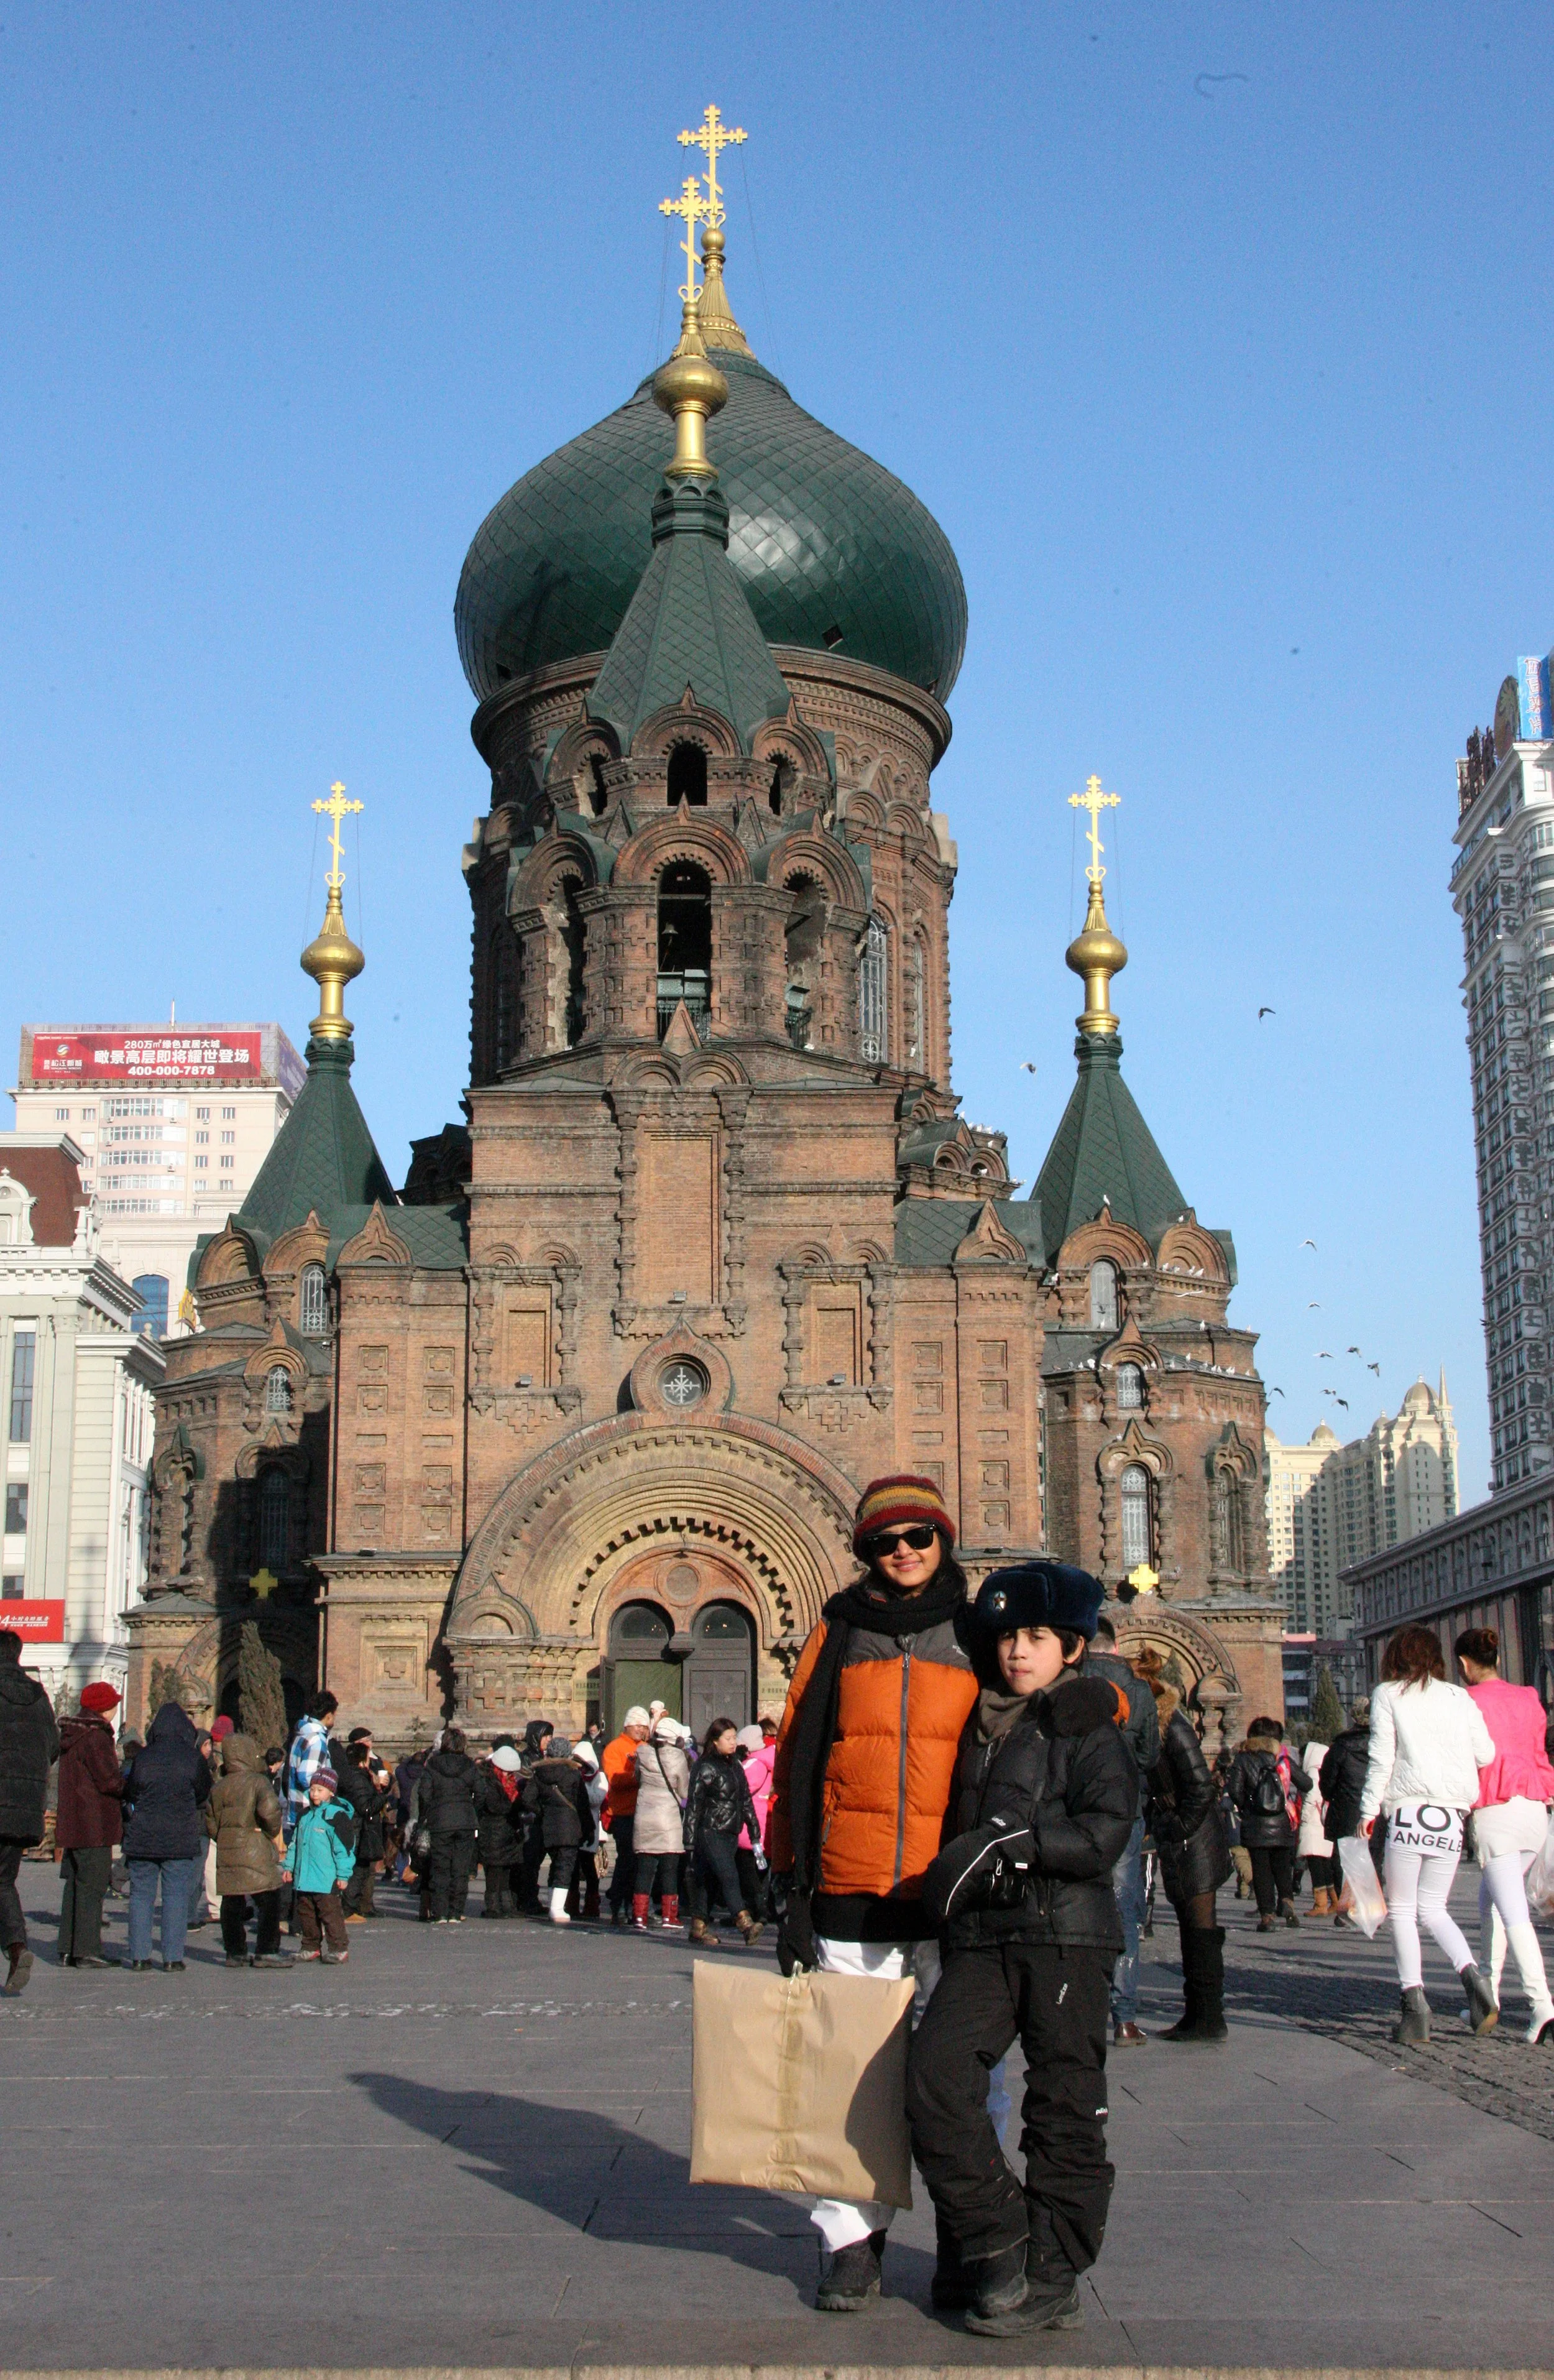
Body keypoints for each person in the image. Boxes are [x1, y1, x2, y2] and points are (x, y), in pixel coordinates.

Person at [767, 1474, 979, 2313]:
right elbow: (798, 1752)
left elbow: (1039, 1709)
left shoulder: (979, 1627)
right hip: (852, 1883)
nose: (903, 1553)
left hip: (953, 1884)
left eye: (919, 1537)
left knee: (969, 2071)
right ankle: (851, 2242)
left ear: (944, 1540)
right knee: (847, 2070)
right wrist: (791, 1886)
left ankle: (974, 2234)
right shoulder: (841, 1628)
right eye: (885, 1542)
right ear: (863, 1552)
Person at [906, 1561, 1135, 2336]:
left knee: (1064, 2105)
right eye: (1006, 1637)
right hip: (982, 1938)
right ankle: (998, 2237)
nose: (1017, 1651)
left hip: (1065, 1936)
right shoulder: (979, 1721)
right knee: (933, 2080)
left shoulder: (1085, 1722)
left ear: (1070, 1646)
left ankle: (1054, 2271)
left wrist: (1018, 1849)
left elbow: (1106, 1830)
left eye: (1035, 1636)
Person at [1359, 1623, 1497, 2044]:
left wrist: (1366, 1812)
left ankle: (1414, 2005)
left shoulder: (1389, 1694)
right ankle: (1473, 1976)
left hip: (1408, 1811)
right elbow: (1486, 1753)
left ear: (1396, 1657)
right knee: (1434, 1908)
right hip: (1451, 1817)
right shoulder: (1459, 1697)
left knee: (1402, 1910)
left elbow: (1382, 1758)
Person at [1455, 1625, 1554, 2041]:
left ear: (1464, 1665)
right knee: (1490, 1902)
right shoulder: (1529, 1696)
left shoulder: (1464, 1702)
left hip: (1495, 1810)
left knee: (1513, 1913)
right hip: (1535, 1807)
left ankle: (1542, 2005)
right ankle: (1486, 1997)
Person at [1135, 1651, 1230, 2041]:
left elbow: (1200, 1786)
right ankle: (1198, 2012)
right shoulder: (1153, 1727)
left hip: (1196, 1836)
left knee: (1201, 1927)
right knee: (1192, 1928)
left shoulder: (1171, 1725)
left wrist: (1176, 1826)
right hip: (1182, 1834)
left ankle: (1209, 2016)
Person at [1086, 1616, 1161, 2047]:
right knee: (1122, 1913)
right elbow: (1150, 1755)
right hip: (1125, 1812)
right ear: (1116, 1648)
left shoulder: (1068, 1680)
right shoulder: (1139, 1691)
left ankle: (1076, 2009)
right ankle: (1125, 2019)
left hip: (1078, 1811)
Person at [121, 1702, 212, 1972]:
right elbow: (202, 1793)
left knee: (141, 1895)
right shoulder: (193, 1758)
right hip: (180, 1835)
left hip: (143, 1835)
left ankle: (139, 1956)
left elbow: (132, 1791)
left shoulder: (144, 1757)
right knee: (176, 1896)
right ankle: (172, 1958)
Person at [0, 1627, 61, 1995]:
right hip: (22, 1809)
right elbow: (52, 1748)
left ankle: (17, 1947)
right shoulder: (38, 1697)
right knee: (3, 1881)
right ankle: (17, 1948)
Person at [205, 1730, 291, 1967]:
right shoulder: (258, 1782)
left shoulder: (219, 1787)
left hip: (228, 1848)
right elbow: (271, 1812)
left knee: (232, 1902)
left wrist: (224, 1837)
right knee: (269, 1898)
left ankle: (235, 1952)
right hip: (254, 1847)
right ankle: (267, 1950)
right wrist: (269, 1832)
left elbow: (210, 1821)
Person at [55, 1681, 124, 1968]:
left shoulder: (74, 1733)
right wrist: (126, 1784)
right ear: (103, 1708)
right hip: (94, 1823)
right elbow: (108, 1780)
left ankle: (68, 1948)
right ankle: (87, 1950)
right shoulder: (96, 1737)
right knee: (92, 1887)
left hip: (73, 1822)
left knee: (75, 1885)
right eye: (113, 1703)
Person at [684, 1717, 763, 1947]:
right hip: (710, 1831)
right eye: (728, 1738)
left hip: (731, 1832)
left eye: (734, 1738)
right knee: (729, 1875)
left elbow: (746, 1801)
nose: (733, 1742)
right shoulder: (705, 1766)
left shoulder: (735, 1766)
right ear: (715, 1741)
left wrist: (755, 1834)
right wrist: (689, 1842)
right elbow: (694, 1805)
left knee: (710, 1879)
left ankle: (699, 1927)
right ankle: (745, 1924)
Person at [1229, 1718, 1312, 1932]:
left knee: (1262, 1869)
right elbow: (1306, 1783)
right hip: (1282, 1822)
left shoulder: (1243, 1758)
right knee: (1282, 1866)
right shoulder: (1281, 1758)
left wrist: (1248, 1807)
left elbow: (1235, 1789)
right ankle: (1287, 1904)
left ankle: (1267, 1916)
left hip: (1256, 1824)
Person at [522, 1733, 594, 1924]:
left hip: (547, 1827)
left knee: (556, 1865)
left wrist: (542, 1811)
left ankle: (553, 1905)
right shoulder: (572, 1774)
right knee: (565, 1866)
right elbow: (582, 1804)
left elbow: (527, 1799)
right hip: (569, 1826)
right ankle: (556, 1908)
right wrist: (589, 1829)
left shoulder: (539, 1774)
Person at [288, 1765, 356, 1960]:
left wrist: (343, 1875)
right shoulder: (305, 1815)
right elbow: (295, 1845)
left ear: (330, 1792)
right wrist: (289, 1867)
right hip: (304, 1877)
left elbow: (344, 1849)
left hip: (326, 1879)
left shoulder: (336, 1816)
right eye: (312, 1789)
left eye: (320, 1790)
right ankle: (310, 1946)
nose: (315, 1794)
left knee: (330, 1914)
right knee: (306, 1914)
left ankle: (338, 1948)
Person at [632, 1714, 691, 1929]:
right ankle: (670, 1916)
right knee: (669, 1869)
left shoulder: (642, 1752)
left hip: (644, 1815)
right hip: (667, 1819)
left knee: (645, 1869)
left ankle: (639, 1916)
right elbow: (684, 1791)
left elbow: (637, 1778)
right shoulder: (678, 1757)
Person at [419, 1725, 481, 1923]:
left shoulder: (433, 1765)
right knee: (461, 1870)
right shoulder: (470, 1765)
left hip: (440, 1821)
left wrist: (428, 1813)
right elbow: (482, 1791)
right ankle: (456, 1912)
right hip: (465, 1821)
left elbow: (424, 1794)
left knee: (440, 1868)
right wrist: (472, 1809)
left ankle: (439, 1912)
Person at [602, 1705, 651, 1926]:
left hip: (644, 1813)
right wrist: (638, 1775)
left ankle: (636, 1907)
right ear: (628, 1725)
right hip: (623, 1814)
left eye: (645, 1726)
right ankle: (618, 1905)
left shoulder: (646, 1748)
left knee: (642, 1864)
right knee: (626, 1861)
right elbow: (615, 1780)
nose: (642, 1730)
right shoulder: (615, 1748)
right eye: (639, 1726)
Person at [337, 1740, 390, 1921]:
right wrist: (382, 1797)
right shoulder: (357, 1778)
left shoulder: (354, 1776)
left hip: (358, 1828)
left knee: (361, 1869)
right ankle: (348, 1909)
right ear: (362, 1761)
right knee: (358, 1870)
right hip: (358, 1828)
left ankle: (352, 1906)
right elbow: (365, 1806)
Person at [281, 1691, 338, 1842]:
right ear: (328, 1715)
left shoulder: (302, 1734)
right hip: (310, 1813)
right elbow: (307, 1777)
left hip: (295, 1808)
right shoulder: (316, 1740)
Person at [478, 1743, 525, 1917]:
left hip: (508, 1832)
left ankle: (507, 1905)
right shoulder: (488, 1781)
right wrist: (514, 1804)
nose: (510, 1775)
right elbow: (494, 1806)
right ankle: (493, 1907)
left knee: (506, 1871)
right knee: (494, 1872)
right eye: (507, 1771)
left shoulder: (509, 1782)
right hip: (492, 1832)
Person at [514, 1719, 554, 1914]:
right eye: (545, 1736)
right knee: (529, 1860)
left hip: (540, 1816)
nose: (548, 1740)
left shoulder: (544, 1756)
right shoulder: (526, 1758)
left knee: (535, 1860)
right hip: (529, 1816)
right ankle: (526, 1898)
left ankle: (530, 1896)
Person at [735, 1721, 775, 1920]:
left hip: (750, 1828)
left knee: (749, 1871)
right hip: (757, 1826)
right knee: (757, 1870)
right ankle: (756, 1910)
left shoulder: (756, 1764)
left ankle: (757, 1911)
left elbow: (741, 1789)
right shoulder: (761, 1761)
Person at [568, 1735, 608, 1919]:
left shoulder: (600, 1778)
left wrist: (581, 1791)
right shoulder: (572, 1777)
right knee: (573, 1869)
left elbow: (596, 1799)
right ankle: (572, 1904)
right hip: (573, 1827)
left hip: (590, 1827)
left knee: (590, 1869)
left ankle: (592, 1905)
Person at [1297, 1737, 1337, 1914]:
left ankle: (1320, 1904)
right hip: (1323, 1822)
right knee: (1325, 1863)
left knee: (1315, 1864)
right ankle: (1334, 1899)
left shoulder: (1313, 1772)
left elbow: (1311, 1798)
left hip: (1313, 1823)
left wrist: (1303, 1818)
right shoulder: (1325, 1770)